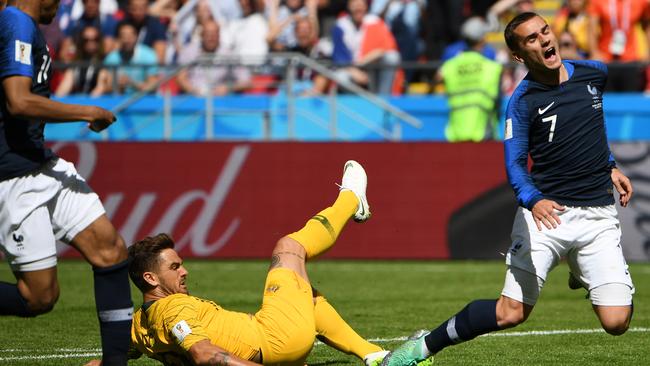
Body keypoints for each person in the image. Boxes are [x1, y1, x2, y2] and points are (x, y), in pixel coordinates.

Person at [382, 12, 635, 365]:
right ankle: (423, 347)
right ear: (518, 56)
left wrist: (609, 165)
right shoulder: (522, 100)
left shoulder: (595, 73)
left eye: (545, 31)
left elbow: (591, 126)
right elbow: (515, 165)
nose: (544, 40)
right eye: (532, 39)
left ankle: (579, 269)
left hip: (597, 213)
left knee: (617, 322)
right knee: (511, 312)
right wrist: (533, 200)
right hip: (546, 216)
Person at [126, 161, 394, 366]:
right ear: (150, 278)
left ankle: (372, 354)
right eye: (174, 267)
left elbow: (121, 352)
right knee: (290, 248)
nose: (185, 272)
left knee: (303, 295)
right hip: (275, 338)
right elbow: (205, 354)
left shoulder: (138, 324)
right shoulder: (173, 309)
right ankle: (350, 199)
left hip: (271, 345)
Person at [0, 1, 133, 366]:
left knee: (110, 249)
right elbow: (18, 101)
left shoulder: (23, 25)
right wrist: (86, 110)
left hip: (42, 164)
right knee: (39, 298)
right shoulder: (15, 22)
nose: (59, 5)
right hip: (13, 177)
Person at [437, 16, 502, 142]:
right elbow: (497, 103)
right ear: (482, 39)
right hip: (483, 134)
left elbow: (436, 81)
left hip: (455, 133)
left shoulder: (449, 66)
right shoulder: (492, 67)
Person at [176, 20, 252, 96]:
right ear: (201, 35)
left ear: (219, 36)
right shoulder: (189, 51)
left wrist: (228, 88)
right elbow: (181, 78)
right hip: (193, 99)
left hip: (221, 102)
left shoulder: (229, 54)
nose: (211, 38)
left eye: (214, 34)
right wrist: (193, 91)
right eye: (208, 34)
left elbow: (246, 82)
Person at [96, 21, 160, 95]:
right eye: (123, 36)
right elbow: (103, 86)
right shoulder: (111, 58)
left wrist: (132, 83)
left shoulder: (148, 55)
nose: (127, 40)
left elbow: (153, 86)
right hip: (117, 101)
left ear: (136, 37)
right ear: (118, 38)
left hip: (144, 100)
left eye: (130, 36)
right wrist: (116, 86)